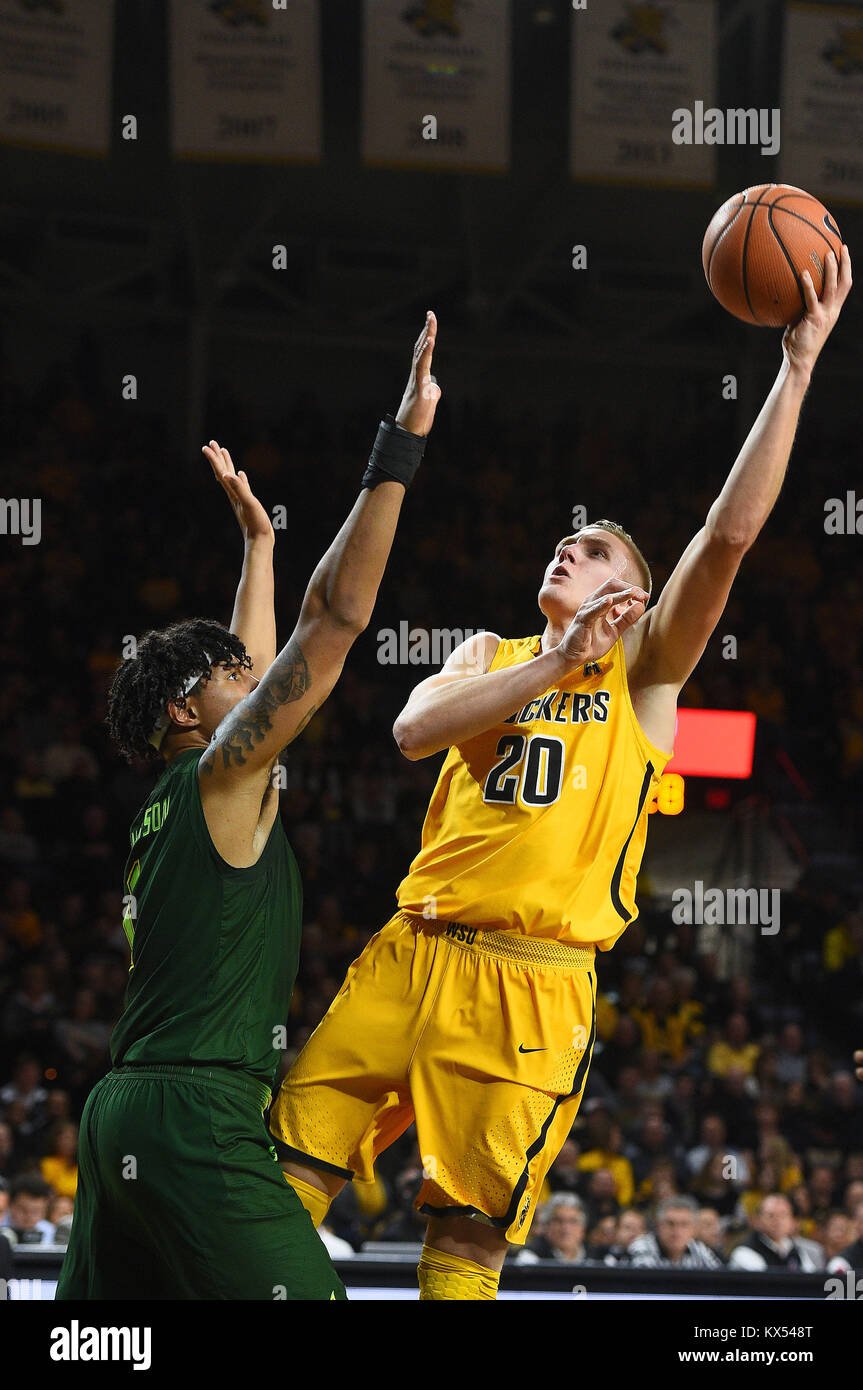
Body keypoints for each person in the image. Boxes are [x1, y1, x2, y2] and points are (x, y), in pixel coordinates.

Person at [269, 250, 852, 1299]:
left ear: (631, 596)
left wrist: (796, 367)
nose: (563, 551)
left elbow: (726, 536)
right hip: (411, 947)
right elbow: (409, 730)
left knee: (470, 1234)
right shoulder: (490, 653)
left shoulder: (645, 674)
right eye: (560, 542)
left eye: (590, 551)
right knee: (280, 1173)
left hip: (532, 982)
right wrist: (552, 658)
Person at [55, 314, 441, 1301]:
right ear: (190, 708)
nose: (258, 676)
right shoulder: (222, 777)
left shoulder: (179, 792)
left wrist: (258, 545)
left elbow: (255, 666)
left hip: (121, 1113)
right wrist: (398, 448)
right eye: (234, 674)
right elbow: (338, 619)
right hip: (196, 1118)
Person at [727, 1193, 823, 1271]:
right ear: (758, 1220)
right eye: (771, 1216)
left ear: (792, 1221)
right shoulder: (744, 1252)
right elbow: (763, 1283)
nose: (777, 1221)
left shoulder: (795, 1250)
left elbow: (810, 1276)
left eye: (783, 1215)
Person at [625, 1195, 723, 1269]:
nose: (677, 1230)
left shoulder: (699, 1249)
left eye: (684, 1224)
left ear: (693, 1229)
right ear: (659, 1226)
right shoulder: (641, 1247)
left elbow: (720, 1279)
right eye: (670, 1224)